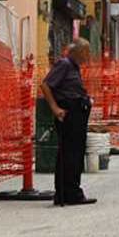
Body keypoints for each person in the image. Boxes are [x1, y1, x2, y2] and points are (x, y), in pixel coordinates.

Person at [40, 38, 96, 206]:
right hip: (68, 113)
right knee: (70, 153)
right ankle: (68, 193)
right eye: (86, 52)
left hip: (77, 112)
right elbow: (45, 85)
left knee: (75, 152)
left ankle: (70, 191)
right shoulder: (64, 64)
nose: (88, 56)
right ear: (78, 52)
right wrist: (55, 108)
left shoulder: (74, 67)